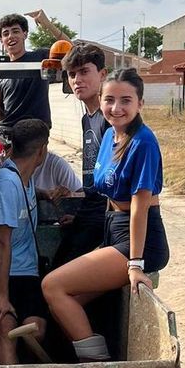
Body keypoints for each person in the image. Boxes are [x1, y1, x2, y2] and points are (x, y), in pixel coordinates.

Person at [41, 68, 170, 362]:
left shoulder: (143, 142)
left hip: (140, 241)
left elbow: (139, 207)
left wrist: (135, 264)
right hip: (114, 230)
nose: (116, 108)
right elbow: (107, 193)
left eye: (126, 100)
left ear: (140, 104)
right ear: (100, 101)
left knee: (52, 285)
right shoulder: (111, 135)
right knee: (68, 298)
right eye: (109, 100)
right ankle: (89, 356)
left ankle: (98, 366)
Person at [0, 119, 50, 365]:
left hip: (27, 271)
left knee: (35, 330)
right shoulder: (7, 182)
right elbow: (2, 241)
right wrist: (2, 296)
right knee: (5, 328)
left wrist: (46, 194)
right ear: (42, 151)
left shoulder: (25, 178)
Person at [51, 43, 110, 266]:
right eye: (72, 74)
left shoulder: (109, 118)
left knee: (57, 276)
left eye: (84, 72)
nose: (77, 80)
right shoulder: (87, 118)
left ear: (102, 74)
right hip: (88, 212)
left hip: (104, 218)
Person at [0, 10, 70, 156]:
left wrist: (47, 24)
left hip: (35, 135)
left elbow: (70, 49)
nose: (11, 36)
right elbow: (0, 115)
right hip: (8, 135)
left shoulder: (40, 57)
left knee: (34, 170)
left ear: (25, 34)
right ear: (1, 40)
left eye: (15, 31)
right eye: (6, 33)